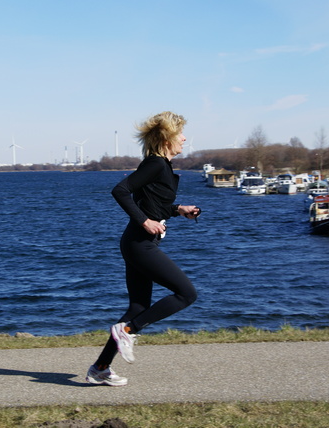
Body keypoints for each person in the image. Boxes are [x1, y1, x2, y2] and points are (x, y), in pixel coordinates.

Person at [86, 111, 201, 387]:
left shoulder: (161, 166)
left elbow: (151, 203)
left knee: (139, 306)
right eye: (179, 134)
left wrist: (177, 210)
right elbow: (120, 190)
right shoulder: (157, 165)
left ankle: (100, 368)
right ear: (165, 138)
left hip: (136, 242)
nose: (184, 138)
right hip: (140, 244)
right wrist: (145, 221)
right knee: (186, 294)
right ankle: (129, 331)